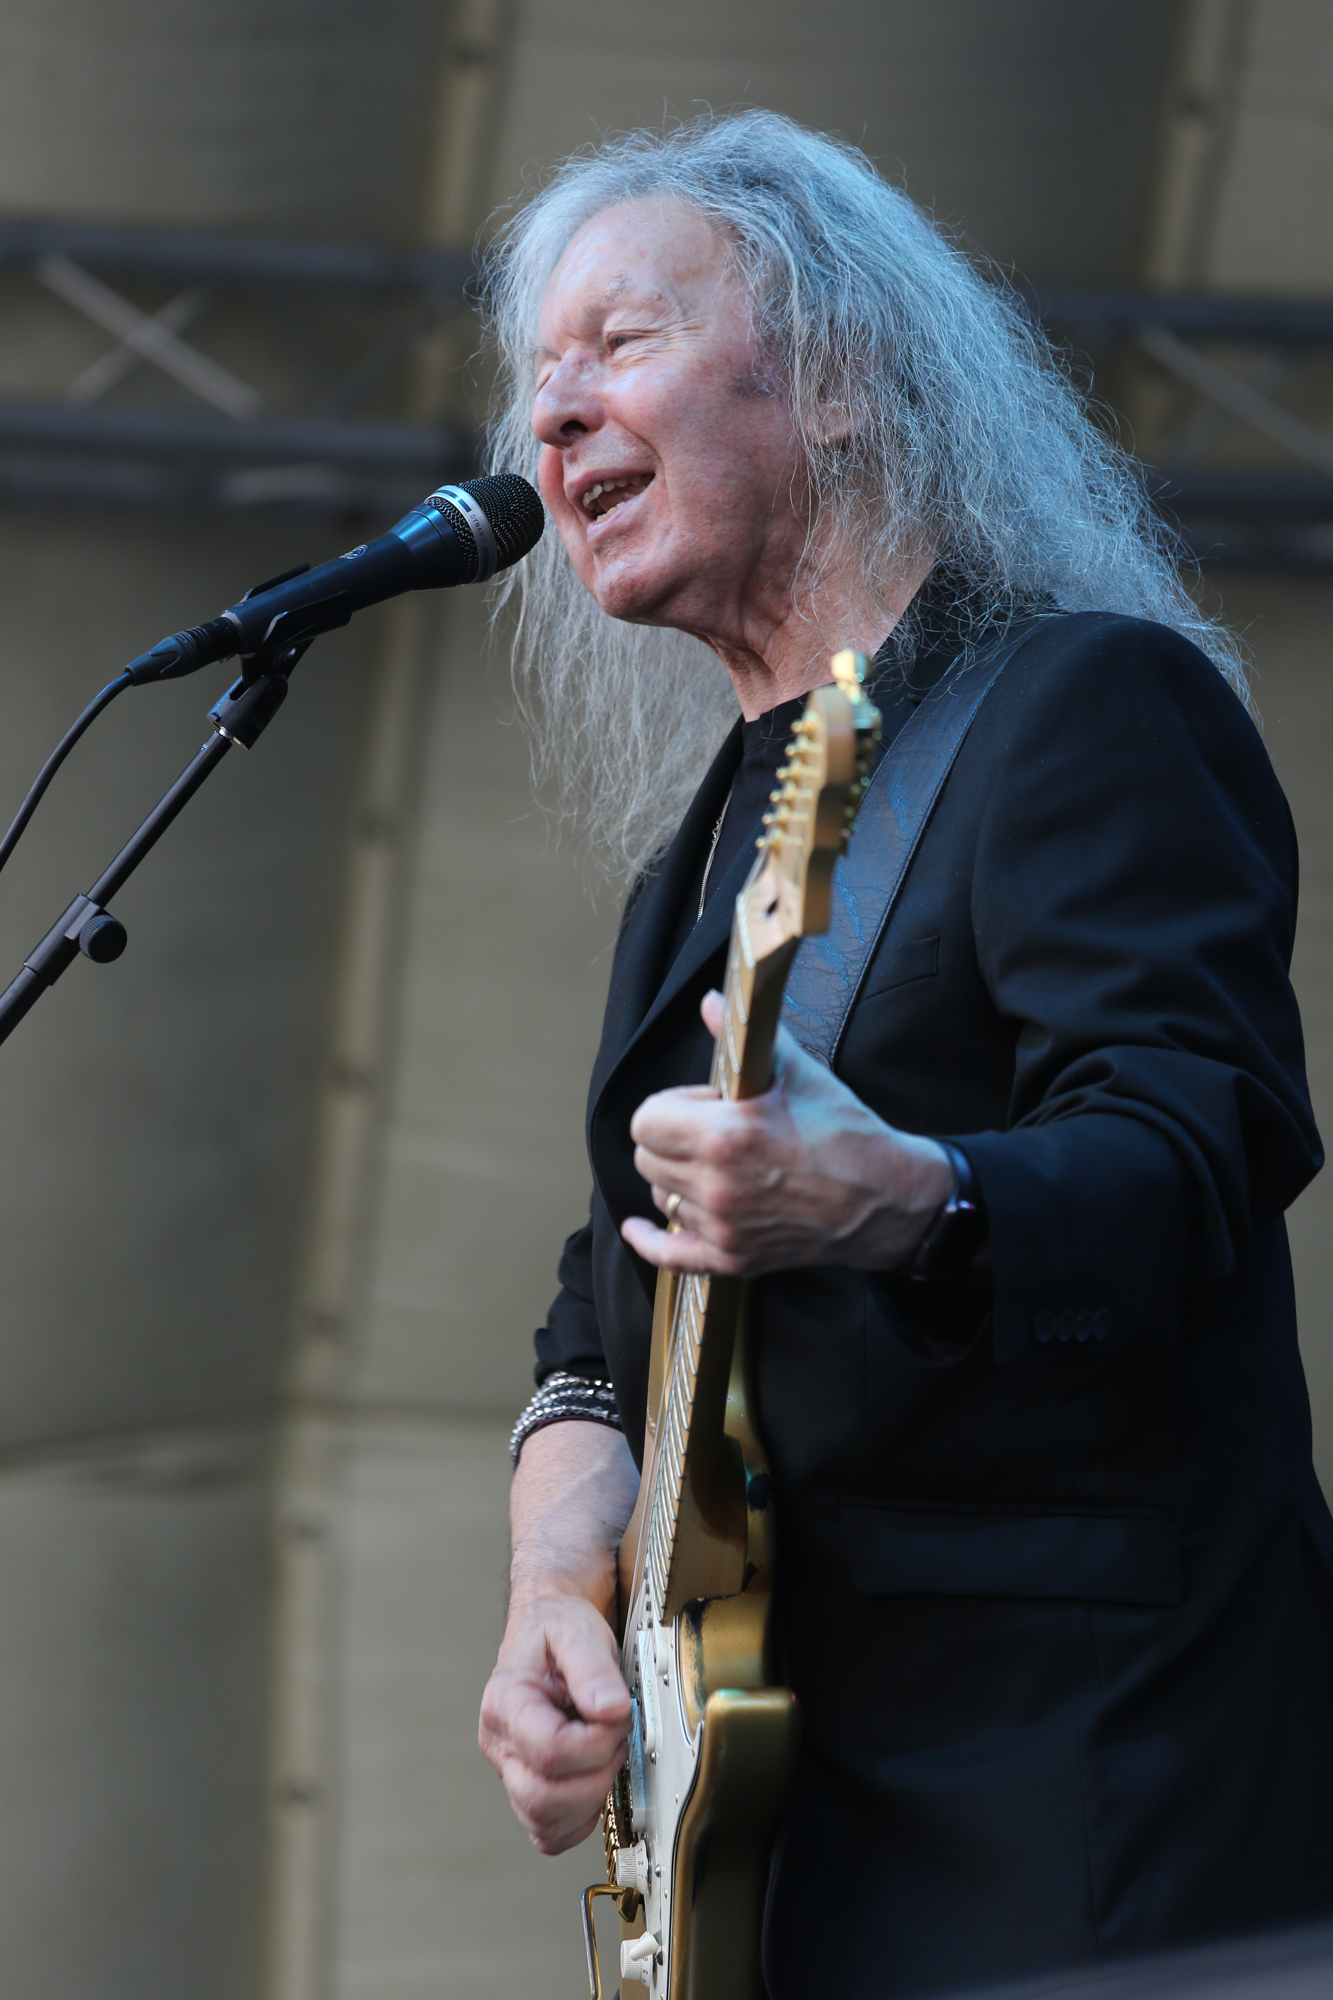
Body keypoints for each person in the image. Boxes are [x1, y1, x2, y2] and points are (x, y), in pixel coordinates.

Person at [475, 111, 1333, 1996]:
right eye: (538, 374)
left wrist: (898, 1198)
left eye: (619, 342)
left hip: (1085, 1814)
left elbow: (1196, 1147)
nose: (550, 414)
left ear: (844, 377)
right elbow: (603, 1303)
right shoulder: (706, 846)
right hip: (798, 1837)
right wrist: (554, 1584)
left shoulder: (1082, 703)